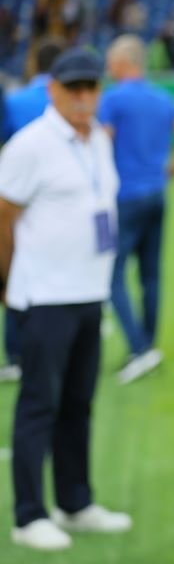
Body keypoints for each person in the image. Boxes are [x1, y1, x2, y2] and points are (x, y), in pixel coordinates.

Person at [0, 48, 133, 551]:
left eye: (90, 87)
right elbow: (3, 215)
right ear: (52, 89)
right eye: (72, 87)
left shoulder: (98, 138)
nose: (82, 96)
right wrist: (7, 280)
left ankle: (75, 502)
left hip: (88, 291)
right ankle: (29, 514)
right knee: (39, 405)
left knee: (78, 403)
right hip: (44, 296)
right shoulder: (30, 145)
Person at [98, 34, 174, 383]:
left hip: (124, 196)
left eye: (111, 61)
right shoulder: (161, 97)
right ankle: (148, 347)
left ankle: (139, 348)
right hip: (156, 194)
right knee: (150, 274)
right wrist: (170, 170)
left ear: (123, 62)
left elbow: (101, 141)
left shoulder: (113, 98)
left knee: (112, 275)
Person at [0, 39, 63, 384]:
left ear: (34, 61)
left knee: (17, 270)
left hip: (20, 196)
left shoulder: (15, 100)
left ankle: (16, 353)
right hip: (60, 198)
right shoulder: (66, 98)